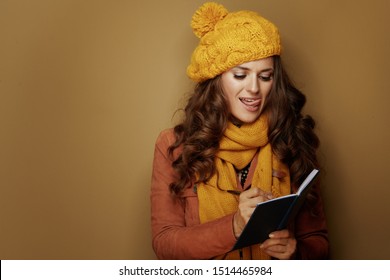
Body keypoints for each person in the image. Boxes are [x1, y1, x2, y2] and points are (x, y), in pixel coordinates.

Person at [150, 2, 329, 260]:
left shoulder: (291, 138)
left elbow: (319, 241)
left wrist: (295, 252)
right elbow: (165, 245)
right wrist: (234, 225)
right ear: (217, 78)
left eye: (265, 76)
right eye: (240, 75)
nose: (254, 88)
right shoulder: (175, 145)